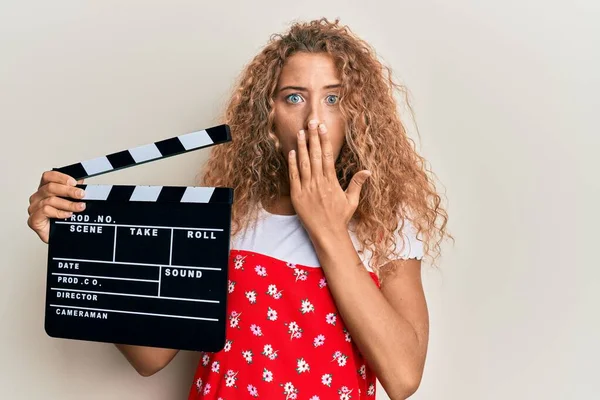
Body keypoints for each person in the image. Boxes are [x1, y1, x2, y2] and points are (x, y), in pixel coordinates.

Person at [27, 18, 450, 400]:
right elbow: (151, 357)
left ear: (358, 115)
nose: (314, 121)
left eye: (334, 99)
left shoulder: (388, 222)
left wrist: (329, 231)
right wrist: (76, 243)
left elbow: (402, 375)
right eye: (294, 98)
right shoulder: (230, 215)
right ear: (268, 117)